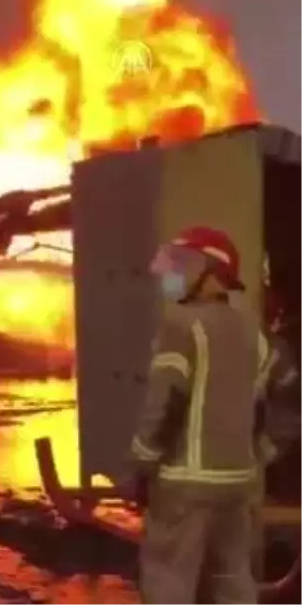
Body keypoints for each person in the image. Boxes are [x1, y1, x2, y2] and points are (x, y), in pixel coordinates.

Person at [132, 226, 269, 604]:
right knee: (232, 577)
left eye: (185, 263)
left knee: (168, 579)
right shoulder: (251, 331)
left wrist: (142, 465)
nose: (175, 273)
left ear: (214, 275)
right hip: (238, 480)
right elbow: (258, 409)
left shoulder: (181, 324)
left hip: (184, 481)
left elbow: (165, 402)